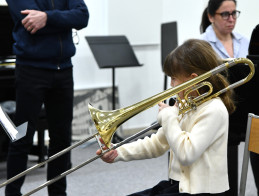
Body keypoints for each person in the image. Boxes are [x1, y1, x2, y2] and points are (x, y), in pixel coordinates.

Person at [96, 39, 235, 196]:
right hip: (179, 185)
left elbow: (186, 154)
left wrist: (169, 117)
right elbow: (158, 143)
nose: (171, 84)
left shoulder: (214, 109)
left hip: (202, 191)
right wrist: (118, 152)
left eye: (174, 78)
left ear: (193, 79)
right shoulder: (187, 104)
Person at [5, 1, 89, 196]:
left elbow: (82, 17)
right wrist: (64, 18)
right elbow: (31, 24)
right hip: (31, 70)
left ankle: (58, 193)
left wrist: (47, 17)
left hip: (64, 70)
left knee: (61, 139)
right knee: (22, 136)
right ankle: (12, 193)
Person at [200, 1, 259, 195]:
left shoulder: (245, 40)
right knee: (226, 176)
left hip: (245, 108)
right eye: (225, 14)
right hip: (218, 112)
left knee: (257, 129)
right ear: (211, 16)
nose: (231, 18)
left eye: (234, 13)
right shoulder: (200, 45)